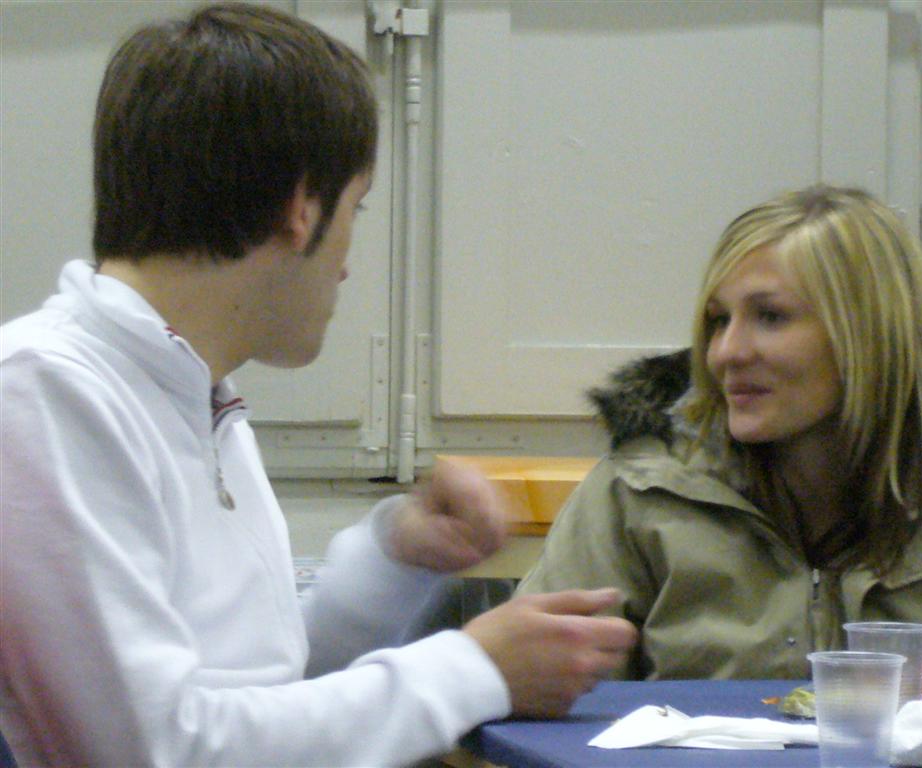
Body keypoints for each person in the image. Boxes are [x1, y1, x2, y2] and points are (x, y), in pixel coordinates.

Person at [0, 4, 637, 766]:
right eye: (354, 210)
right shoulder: (44, 396)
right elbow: (152, 749)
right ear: (301, 211)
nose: (347, 264)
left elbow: (268, 690)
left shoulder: (190, 398)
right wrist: (474, 670)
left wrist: (394, 558)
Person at [517, 185, 922, 682]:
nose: (726, 353)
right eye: (719, 321)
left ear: (871, 334)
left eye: (771, 316)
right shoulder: (643, 487)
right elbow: (533, 695)